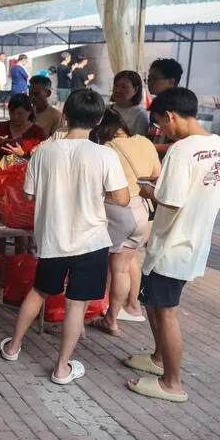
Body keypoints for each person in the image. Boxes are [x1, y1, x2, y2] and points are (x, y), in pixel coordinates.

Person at [0, 89, 129, 385]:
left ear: (65, 116)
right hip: (91, 240)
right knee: (76, 303)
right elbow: (121, 199)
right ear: (98, 120)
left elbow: (29, 194)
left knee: (39, 291)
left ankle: (13, 346)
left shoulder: (43, 151)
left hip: (53, 238)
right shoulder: (105, 154)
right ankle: (61, 367)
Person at [124, 88, 220, 402]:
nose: (163, 131)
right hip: (195, 242)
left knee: (166, 312)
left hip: (172, 246)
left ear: (171, 115)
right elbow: (218, 191)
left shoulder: (181, 151)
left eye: (161, 124)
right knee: (154, 304)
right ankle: (159, 359)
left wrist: (146, 190)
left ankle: (172, 383)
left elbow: (169, 202)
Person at [88, 110, 160, 335]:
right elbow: (157, 174)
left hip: (116, 209)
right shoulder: (145, 142)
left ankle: (83, 314)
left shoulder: (106, 150)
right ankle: (111, 319)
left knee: (92, 265)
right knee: (120, 269)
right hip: (142, 211)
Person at [144, 58, 184, 151]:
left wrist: (147, 148)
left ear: (172, 82)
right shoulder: (157, 103)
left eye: (154, 79)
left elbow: (179, 145)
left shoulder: (178, 106)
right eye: (148, 79)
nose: (149, 83)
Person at [110, 70, 149, 138]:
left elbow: (138, 141)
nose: (117, 90)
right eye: (116, 86)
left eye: (123, 87)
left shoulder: (140, 114)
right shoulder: (106, 109)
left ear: (136, 90)